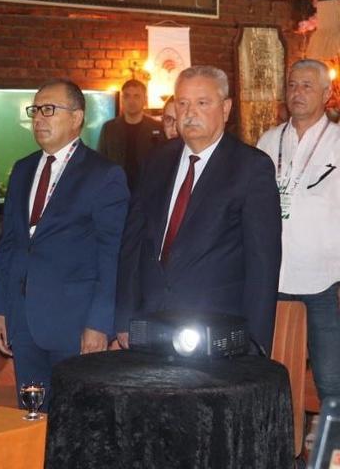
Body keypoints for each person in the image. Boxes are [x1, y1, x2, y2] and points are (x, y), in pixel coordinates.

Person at [115, 66, 282, 355]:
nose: (190, 113)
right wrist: (124, 316)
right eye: (183, 103)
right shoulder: (156, 161)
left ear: (226, 108)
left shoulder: (250, 167)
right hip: (151, 323)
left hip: (216, 330)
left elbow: (263, 263)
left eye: (202, 103)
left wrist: (254, 345)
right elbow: (134, 243)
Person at [0, 79, 129, 409]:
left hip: (75, 324)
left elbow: (112, 255)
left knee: (77, 419)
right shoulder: (23, 169)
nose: (39, 118)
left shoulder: (103, 174)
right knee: (32, 416)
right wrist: (0, 310)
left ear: (77, 117)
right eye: (35, 110)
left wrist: (99, 323)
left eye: (49, 109)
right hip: (23, 321)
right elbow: (9, 245)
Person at [257, 59, 340, 401]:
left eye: (307, 85)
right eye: (292, 85)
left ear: (327, 94)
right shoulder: (268, 140)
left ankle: (331, 437)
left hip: (324, 280)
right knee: (270, 377)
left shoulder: (337, 141)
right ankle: (281, 436)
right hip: (273, 278)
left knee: (330, 380)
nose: (297, 92)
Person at [97, 79, 163, 191]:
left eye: (136, 96)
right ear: (122, 99)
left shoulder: (158, 128)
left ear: (145, 99)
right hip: (115, 189)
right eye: (127, 96)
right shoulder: (109, 128)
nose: (131, 101)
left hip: (148, 189)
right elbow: (100, 160)